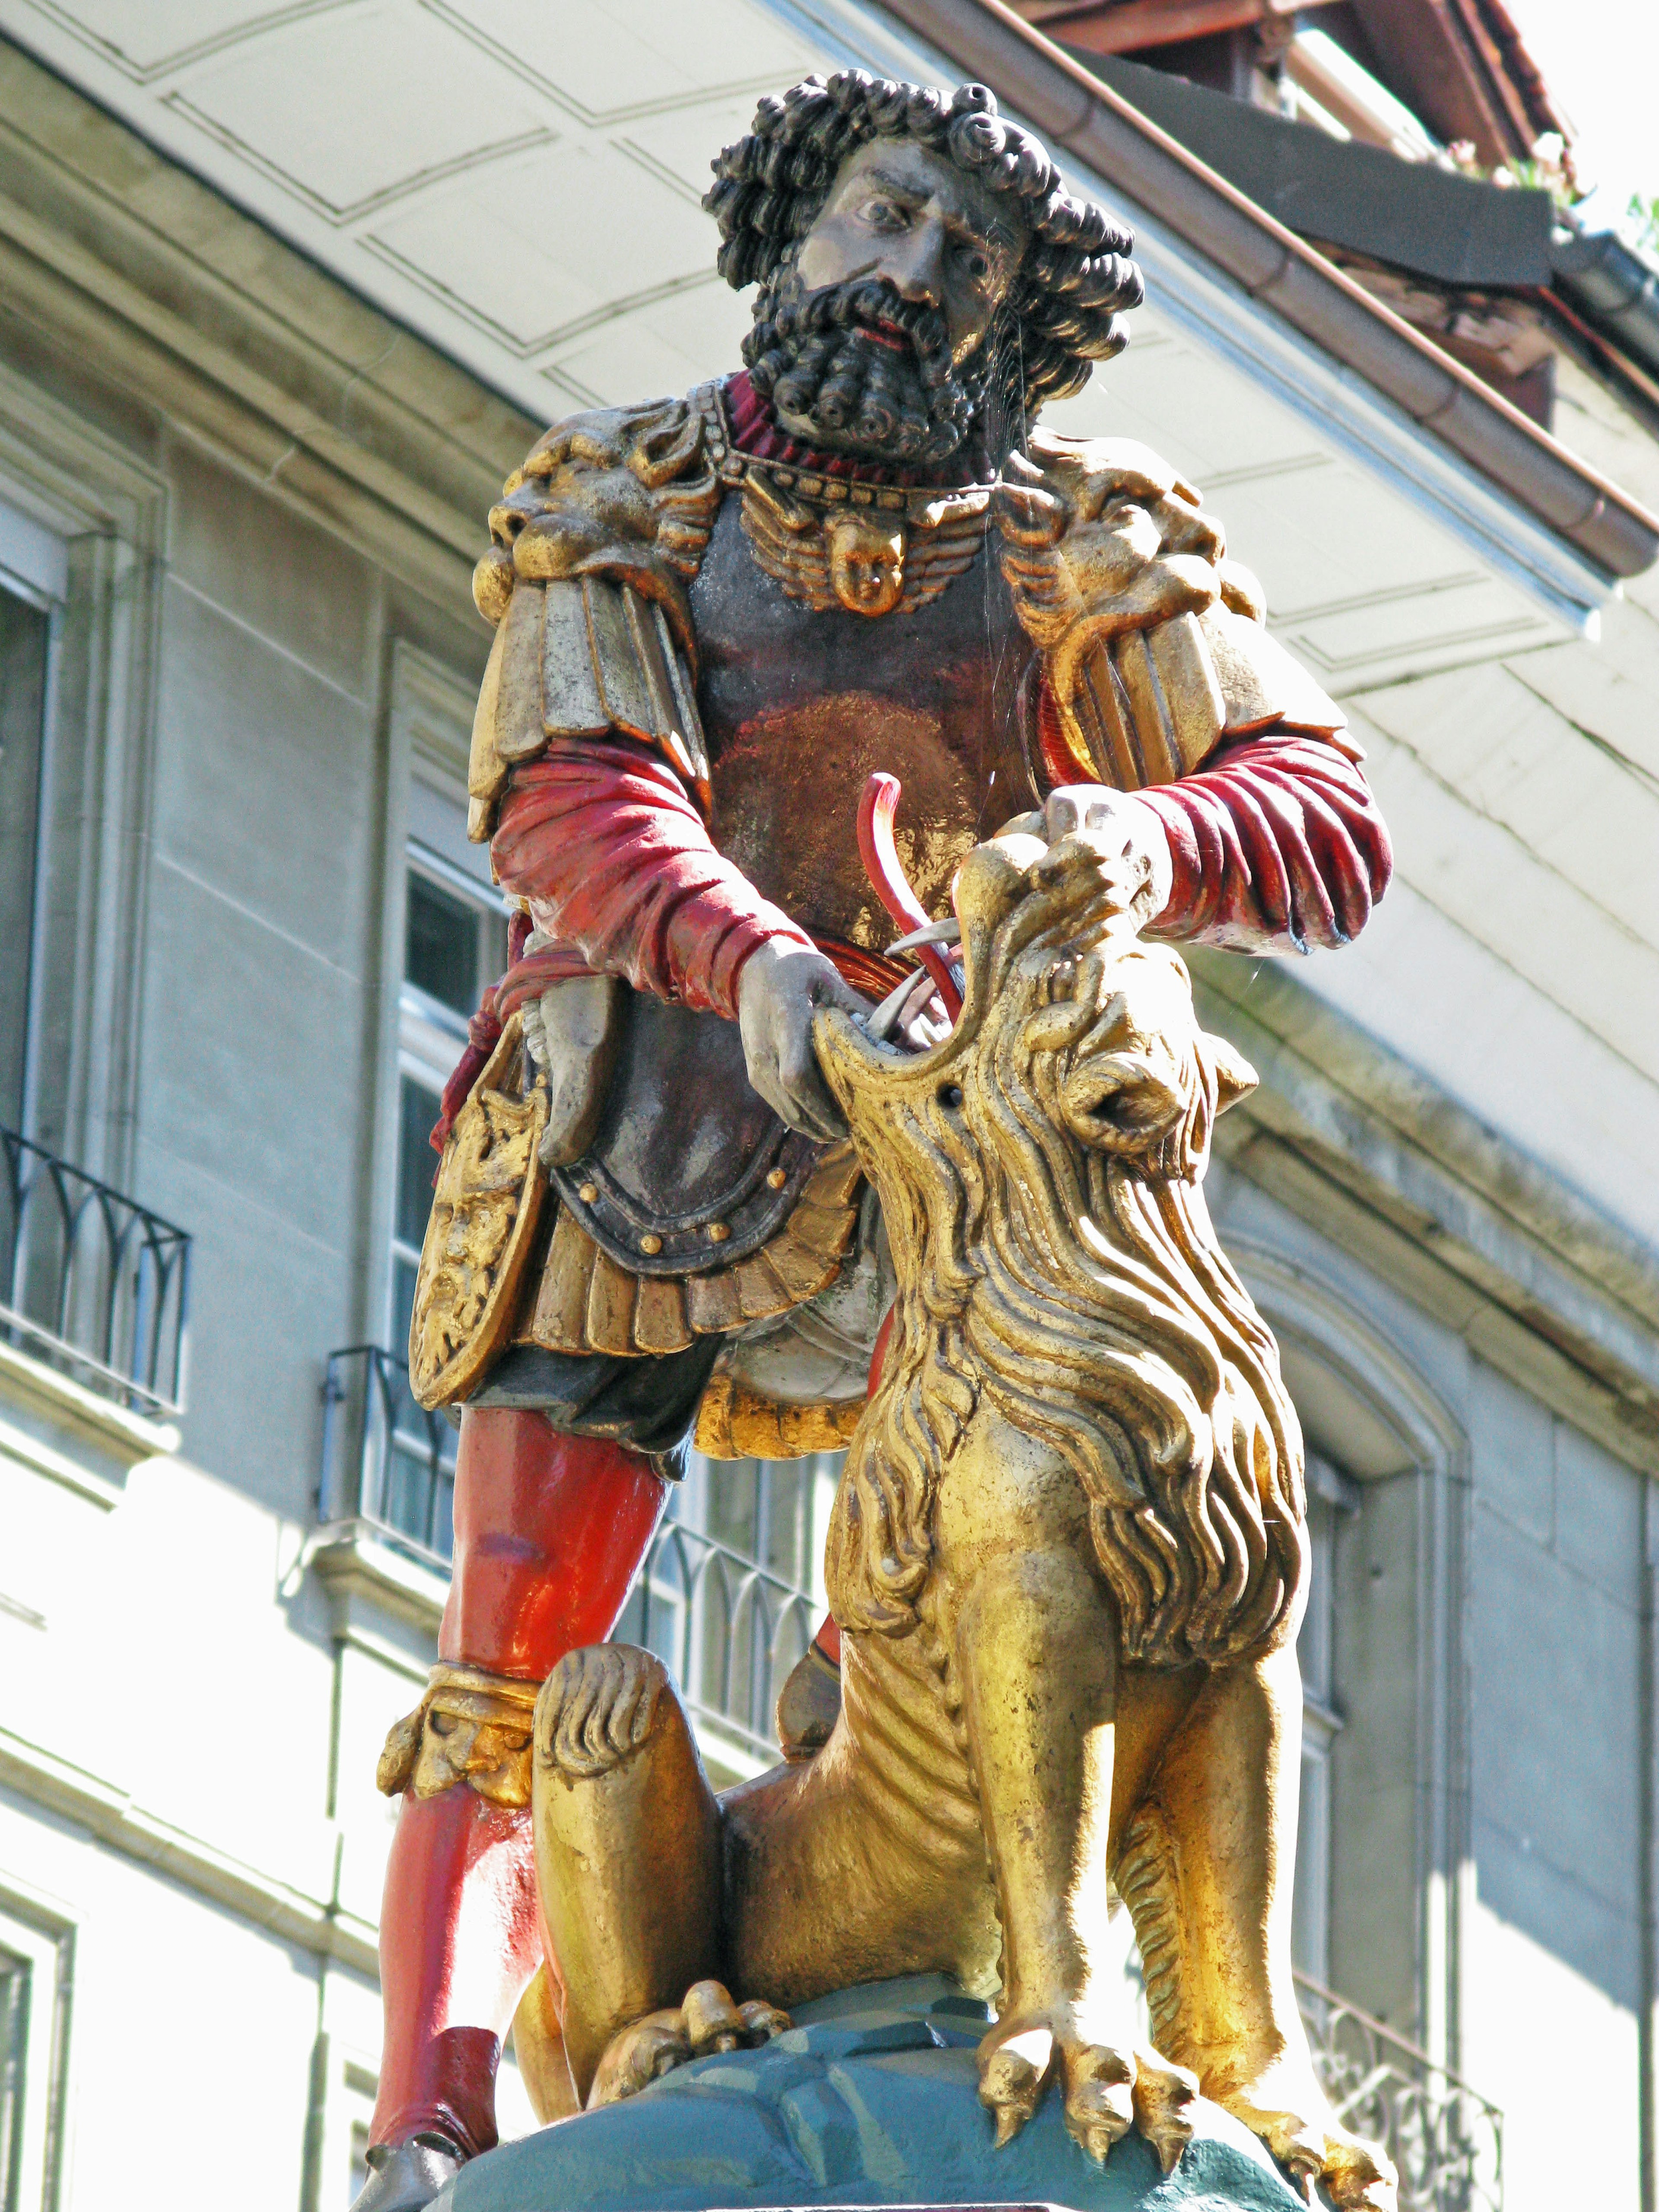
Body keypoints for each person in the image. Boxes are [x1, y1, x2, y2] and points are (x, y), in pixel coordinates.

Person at [356, 71, 1392, 2211]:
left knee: (1028, 1575)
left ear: (1017, 323)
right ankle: (429, 2120)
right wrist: (751, 966)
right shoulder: (620, 492)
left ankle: (1027, 1986)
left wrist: (1149, 821)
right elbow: (568, 784)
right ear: (788, 222)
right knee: (512, 1661)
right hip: (642, 1117)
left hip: (984, 1156)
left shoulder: (1086, 532)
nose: (913, 271)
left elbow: (1321, 802)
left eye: (969, 255)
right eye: (887, 211)